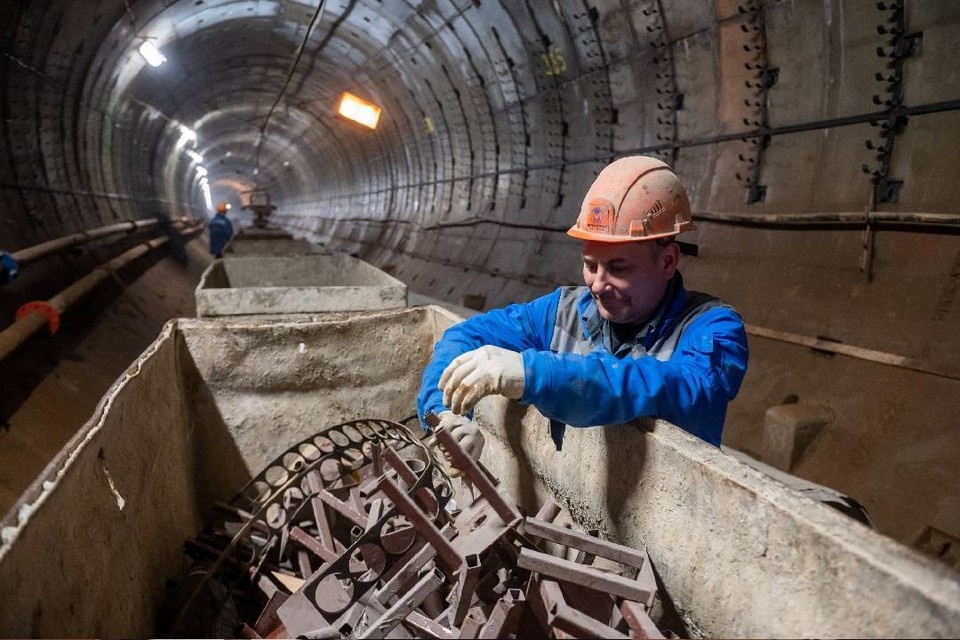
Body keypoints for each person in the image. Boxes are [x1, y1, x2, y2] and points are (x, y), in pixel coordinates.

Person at [416, 155, 749, 464]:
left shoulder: (713, 329)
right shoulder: (564, 310)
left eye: (619, 268)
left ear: (667, 260)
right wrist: (447, 414)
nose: (598, 285)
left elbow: (669, 385)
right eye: (590, 265)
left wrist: (533, 372)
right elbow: (467, 336)